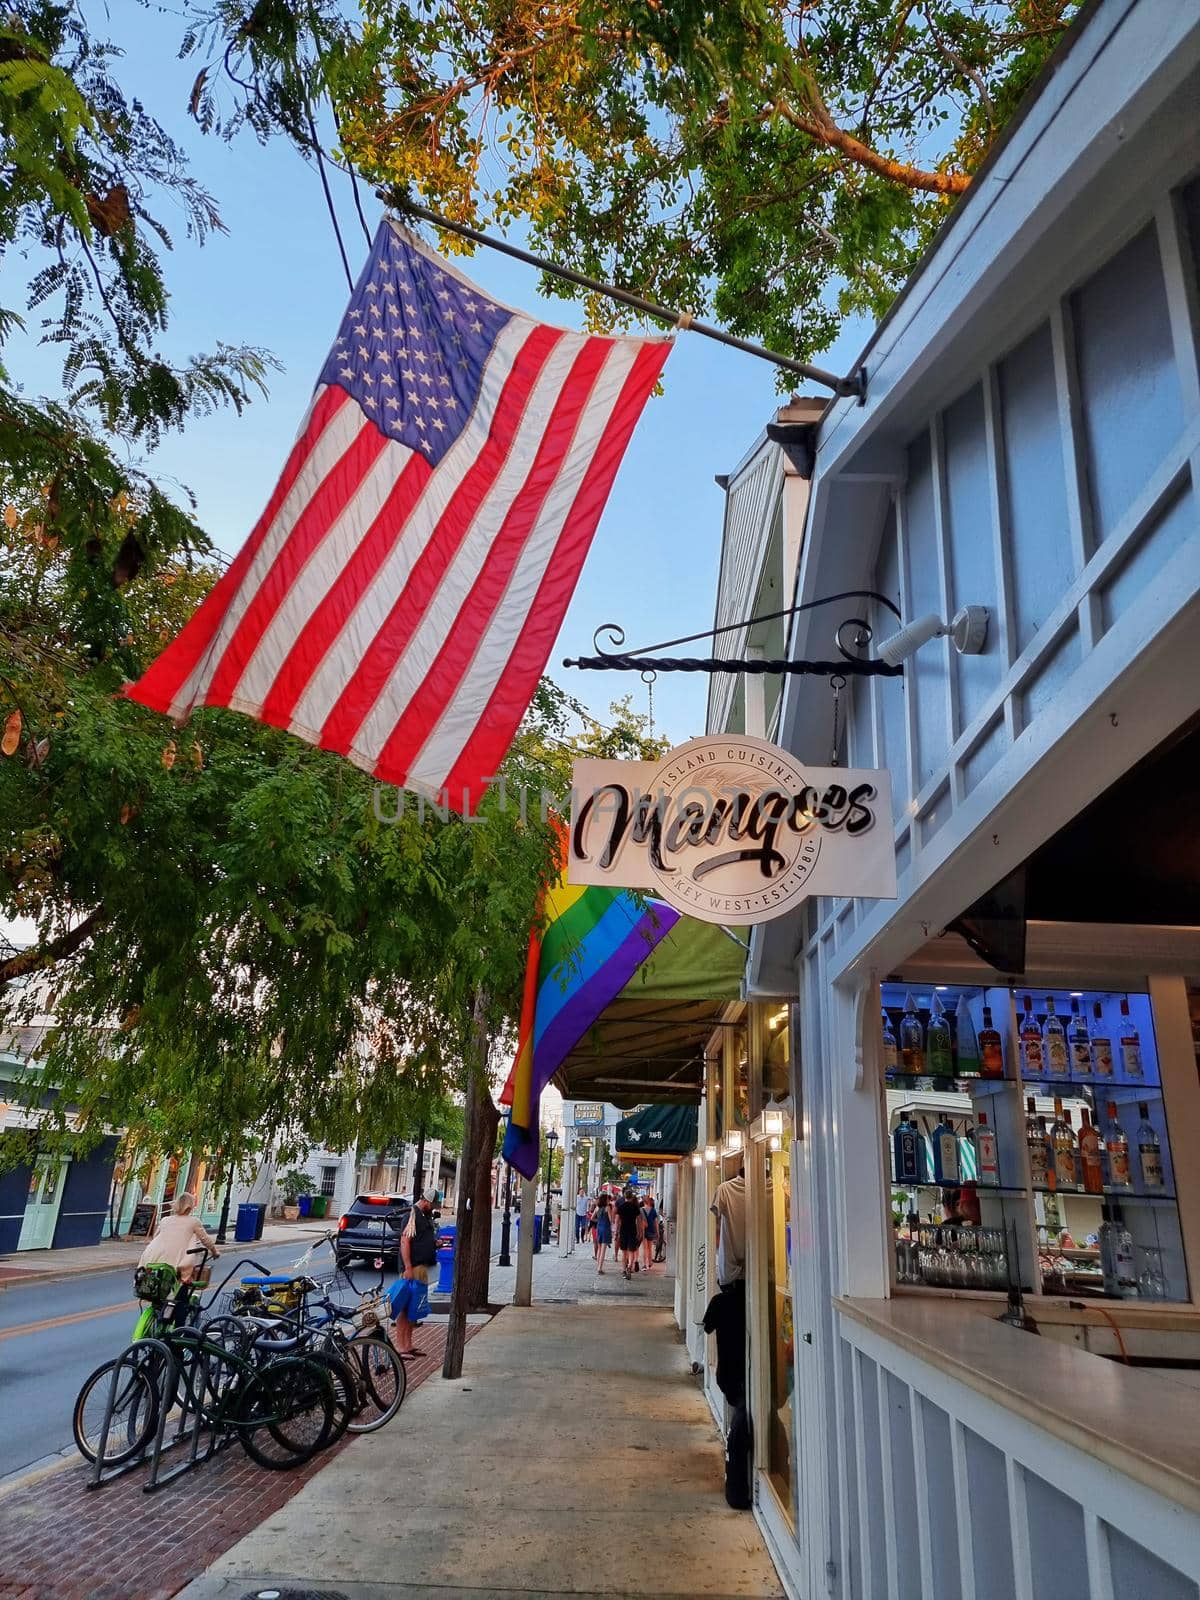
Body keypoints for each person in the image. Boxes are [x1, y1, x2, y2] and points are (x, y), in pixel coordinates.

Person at [137, 1191, 220, 1324]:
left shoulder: (165, 1220)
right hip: (175, 1261)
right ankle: (178, 1332)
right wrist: (215, 1252)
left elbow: (155, 1237)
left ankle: (161, 1313)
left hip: (153, 1257)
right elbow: (206, 1240)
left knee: (159, 1287)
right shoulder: (193, 1222)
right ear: (190, 1206)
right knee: (181, 1296)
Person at [390, 1190, 437, 1359]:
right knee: (404, 1306)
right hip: (413, 1268)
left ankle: (408, 1344)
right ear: (425, 1201)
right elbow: (405, 1241)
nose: (432, 1208)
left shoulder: (423, 1216)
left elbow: (421, 1239)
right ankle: (401, 1347)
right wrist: (408, 1267)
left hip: (421, 1267)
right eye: (431, 1204)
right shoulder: (412, 1216)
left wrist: (434, 1243)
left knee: (414, 1307)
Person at [615, 1186, 644, 1280]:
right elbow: (639, 1220)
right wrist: (640, 1231)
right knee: (632, 1251)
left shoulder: (621, 1207)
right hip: (632, 1230)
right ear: (631, 1197)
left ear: (624, 1196)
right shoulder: (635, 1207)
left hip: (623, 1230)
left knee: (624, 1252)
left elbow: (617, 1220)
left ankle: (624, 1270)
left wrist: (616, 1232)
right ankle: (629, 1267)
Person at [593, 1192, 612, 1273]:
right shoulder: (607, 1208)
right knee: (603, 1250)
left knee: (600, 1249)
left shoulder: (597, 1208)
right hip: (606, 1228)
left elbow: (592, 1218)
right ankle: (600, 1268)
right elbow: (611, 1220)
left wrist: (599, 1221)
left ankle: (598, 1266)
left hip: (599, 1228)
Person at [640, 1194, 659, 1271]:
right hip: (651, 1230)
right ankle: (650, 1262)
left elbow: (639, 1221)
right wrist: (657, 1232)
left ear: (643, 1201)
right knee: (650, 1248)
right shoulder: (653, 1210)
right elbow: (656, 1222)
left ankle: (644, 1264)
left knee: (644, 1248)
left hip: (644, 1230)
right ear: (649, 1201)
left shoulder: (641, 1210)